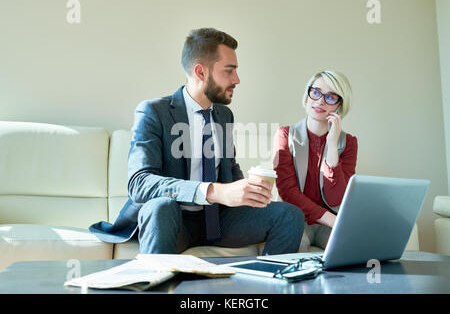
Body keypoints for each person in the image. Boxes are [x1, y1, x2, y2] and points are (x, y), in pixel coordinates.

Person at [90, 28, 304, 255]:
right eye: (229, 71)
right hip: (173, 219)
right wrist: (213, 191)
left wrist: (247, 191)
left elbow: (228, 167)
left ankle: (269, 282)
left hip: (217, 220)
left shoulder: (224, 115)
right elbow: (139, 183)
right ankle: (154, 285)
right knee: (161, 207)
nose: (237, 80)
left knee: (289, 215)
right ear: (201, 72)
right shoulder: (153, 112)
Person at [273, 71, 358, 250]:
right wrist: (331, 219)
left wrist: (332, 145)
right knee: (296, 247)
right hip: (297, 218)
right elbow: (287, 192)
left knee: (349, 249)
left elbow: (337, 198)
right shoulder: (285, 135)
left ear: (340, 106)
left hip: (329, 223)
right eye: (316, 92)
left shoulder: (348, 143)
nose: (320, 101)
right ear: (307, 96)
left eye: (331, 97)